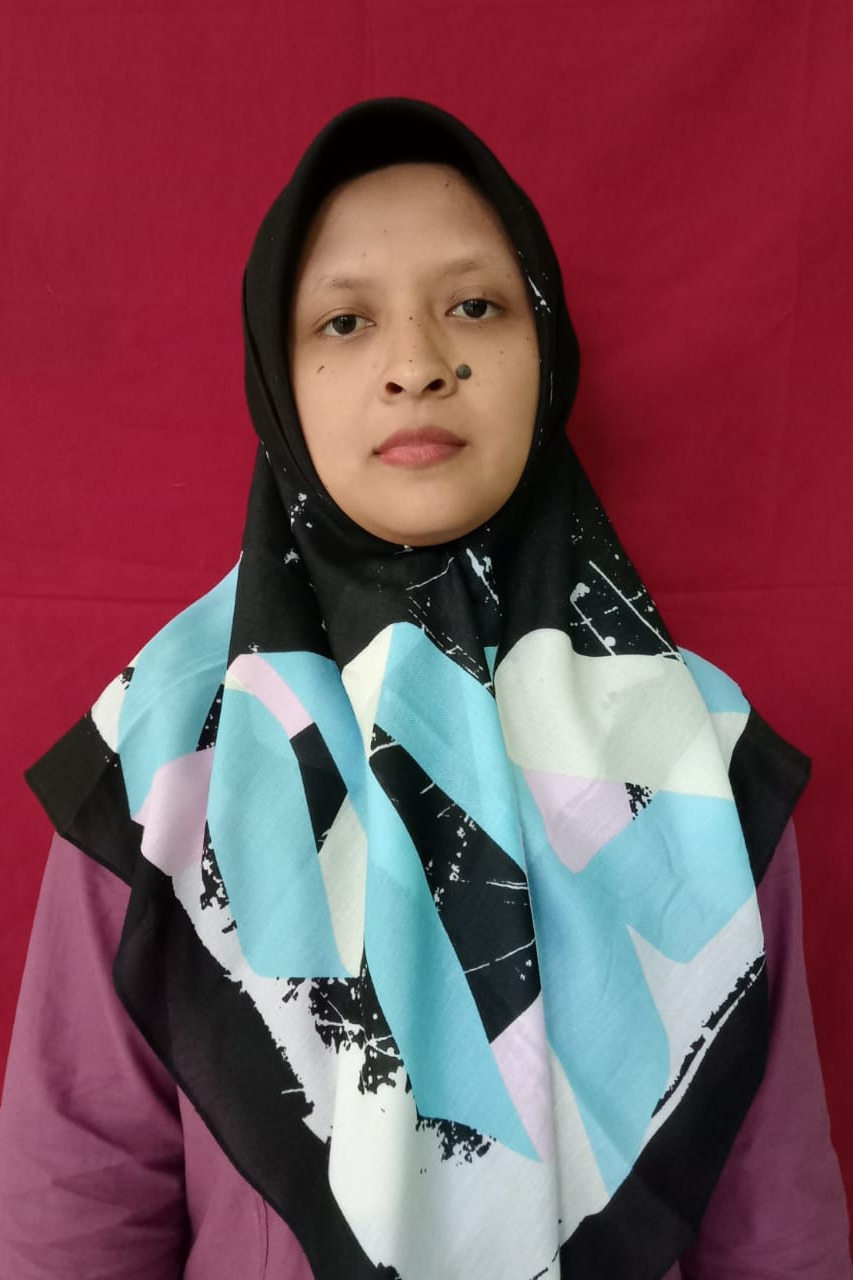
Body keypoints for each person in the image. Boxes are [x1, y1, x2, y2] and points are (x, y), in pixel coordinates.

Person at [0, 98, 849, 1280]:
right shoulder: (166, 757)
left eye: (476, 307)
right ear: (277, 376)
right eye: (344, 321)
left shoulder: (693, 757)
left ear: (545, 351)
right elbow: (73, 1207)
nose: (415, 365)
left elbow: (775, 1219)